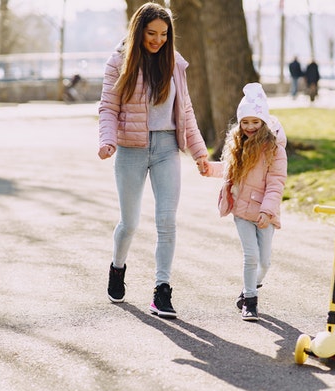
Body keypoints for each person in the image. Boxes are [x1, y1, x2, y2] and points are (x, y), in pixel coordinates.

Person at [98, 2, 210, 318]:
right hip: (131, 148)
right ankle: (117, 267)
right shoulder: (119, 61)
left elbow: (185, 111)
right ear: (138, 30)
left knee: (166, 220)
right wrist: (107, 140)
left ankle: (162, 291)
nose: (158, 40)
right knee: (130, 222)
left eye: (164, 34)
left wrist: (200, 152)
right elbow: (108, 106)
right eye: (151, 33)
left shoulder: (174, 63)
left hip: (165, 148)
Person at [203, 82, 287, 321]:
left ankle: (248, 288)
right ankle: (250, 301)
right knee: (250, 256)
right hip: (241, 209)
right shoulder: (236, 145)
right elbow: (229, 171)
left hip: (265, 212)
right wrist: (209, 169)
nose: (250, 127)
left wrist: (267, 210)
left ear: (264, 122)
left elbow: (276, 183)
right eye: (245, 122)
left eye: (255, 122)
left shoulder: (275, 150)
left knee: (265, 262)